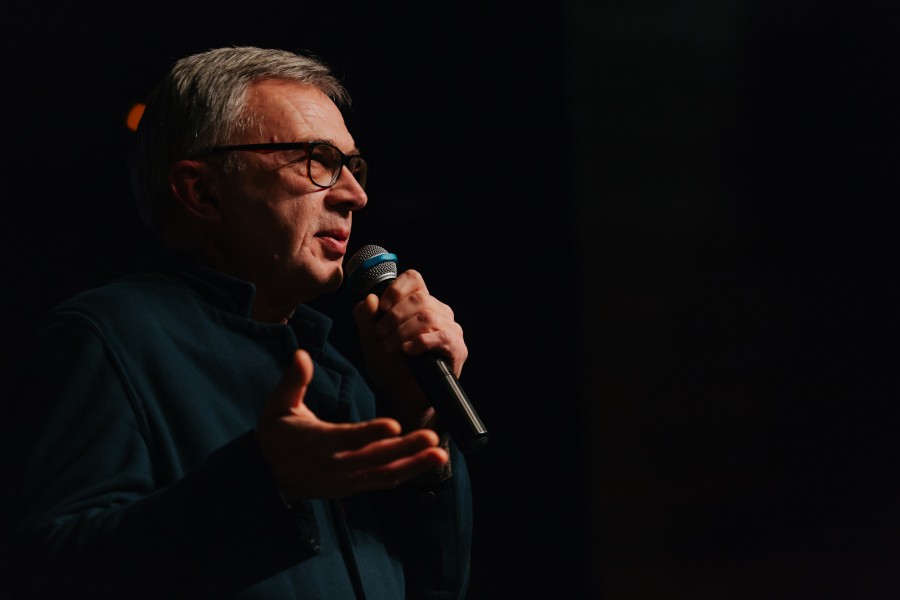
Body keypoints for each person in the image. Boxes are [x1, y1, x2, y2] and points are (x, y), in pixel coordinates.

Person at [0, 46, 473, 599]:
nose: (355, 194)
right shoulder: (103, 338)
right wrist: (263, 484)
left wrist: (418, 412)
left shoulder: (342, 374)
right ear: (202, 191)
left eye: (352, 165)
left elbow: (436, 586)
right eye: (318, 160)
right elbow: (48, 572)